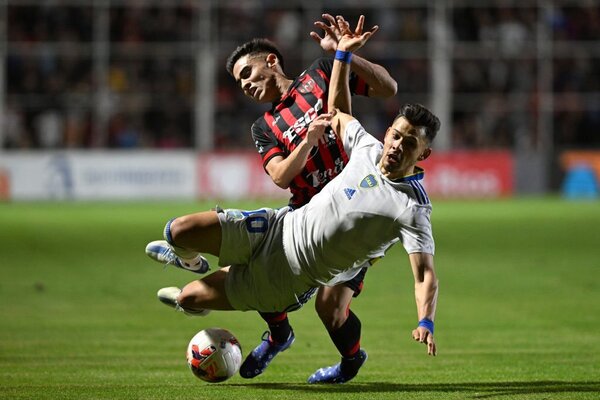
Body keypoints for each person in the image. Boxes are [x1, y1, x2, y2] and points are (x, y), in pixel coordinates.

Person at [145, 20, 440, 383]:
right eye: (240, 83)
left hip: (355, 221)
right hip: (301, 213)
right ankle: (277, 333)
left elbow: (385, 88)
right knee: (253, 262)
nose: (247, 85)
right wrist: (309, 141)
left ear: (272, 61)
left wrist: (341, 55)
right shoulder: (265, 127)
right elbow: (282, 176)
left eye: (249, 73)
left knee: (331, 309)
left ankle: (347, 361)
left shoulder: (321, 75)